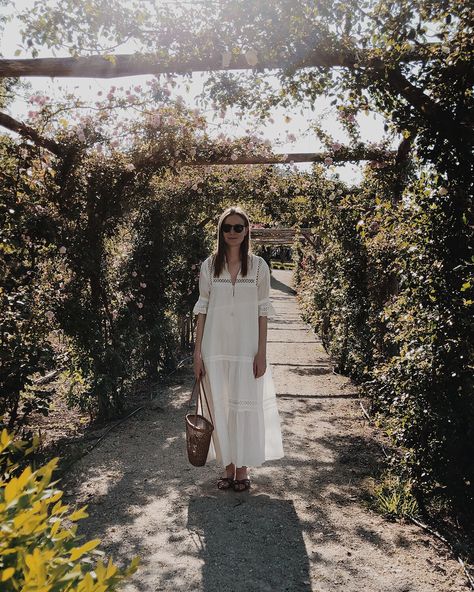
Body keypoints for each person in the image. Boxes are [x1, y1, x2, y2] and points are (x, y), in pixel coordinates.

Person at [192, 205, 284, 492]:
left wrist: (262, 353)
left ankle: (242, 471)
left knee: (244, 407)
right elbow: (203, 309)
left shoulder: (258, 266)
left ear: (247, 231)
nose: (232, 232)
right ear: (220, 231)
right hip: (214, 348)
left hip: (247, 349)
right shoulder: (209, 265)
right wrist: (197, 352)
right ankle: (227, 467)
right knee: (220, 409)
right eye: (227, 227)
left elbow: (262, 311)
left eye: (238, 227)